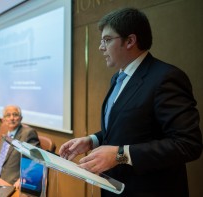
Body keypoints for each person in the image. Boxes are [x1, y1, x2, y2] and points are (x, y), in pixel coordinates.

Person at [59, 8, 202, 197]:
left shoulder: (166, 78)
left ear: (130, 41)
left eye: (107, 40)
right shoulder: (118, 78)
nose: (101, 47)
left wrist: (120, 155)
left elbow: (188, 144)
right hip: (115, 187)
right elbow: (129, 128)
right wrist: (92, 140)